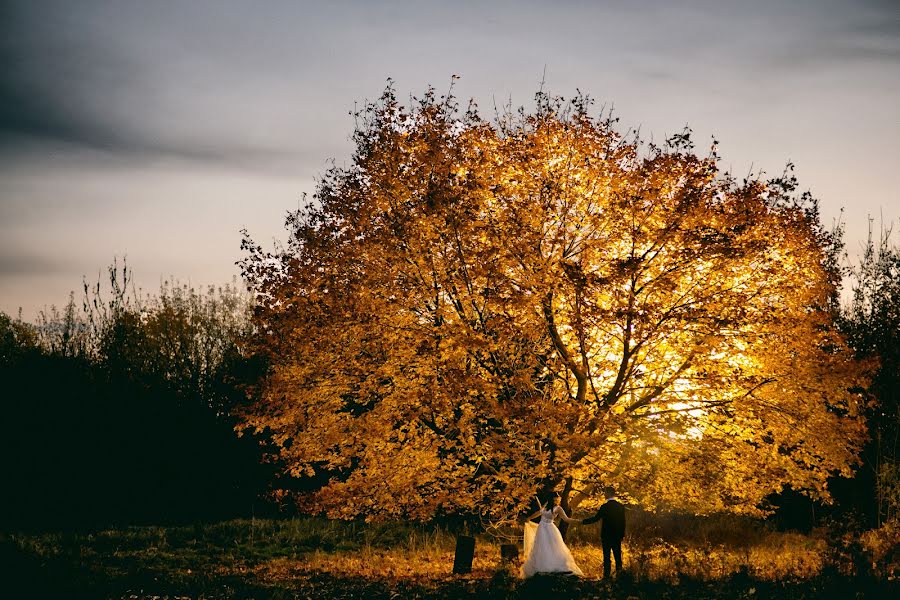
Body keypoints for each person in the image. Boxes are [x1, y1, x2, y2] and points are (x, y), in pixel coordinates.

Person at [520, 492, 584, 578]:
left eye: (558, 499)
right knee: (541, 547)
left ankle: (552, 566)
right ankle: (540, 566)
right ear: (551, 499)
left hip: (550, 529)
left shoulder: (558, 508)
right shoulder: (546, 506)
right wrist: (529, 518)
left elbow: (566, 519)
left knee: (552, 547)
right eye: (555, 498)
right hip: (541, 528)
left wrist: (579, 522)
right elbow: (539, 513)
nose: (557, 500)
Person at [581, 485, 626, 579]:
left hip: (606, 535)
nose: (604, 494)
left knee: (606, 557)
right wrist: (622, 535)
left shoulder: (605, 507)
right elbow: (623, 522)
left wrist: (583, 522)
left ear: (609, 493)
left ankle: (606, 577)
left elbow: (595, 518)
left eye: (605, 492)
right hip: (617, 535)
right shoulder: (620, 506)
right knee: (618, 556)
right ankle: (620, 576)